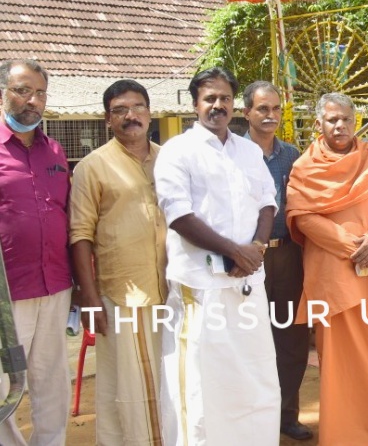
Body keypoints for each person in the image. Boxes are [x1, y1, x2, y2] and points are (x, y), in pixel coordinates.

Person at [153, 67, 281, 444]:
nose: (218, 105)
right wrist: (234, 251)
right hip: (200, 285)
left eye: (225, 98)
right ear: (195, 104)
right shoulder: (177, 151)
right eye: (210, 98)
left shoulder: (248, 151)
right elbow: (178, 215)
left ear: (234, 104)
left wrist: (256, 248)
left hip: (247, 282)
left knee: (254, 374)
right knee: (200, 381)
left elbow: (268, 202)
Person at [287, 93, 368, 445]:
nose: (340, 125)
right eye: (332, 120)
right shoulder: (305, 167)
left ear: (355, 121)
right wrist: (351, 246)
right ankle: (343, 436)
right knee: (338, 362)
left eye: (346, 119)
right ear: (318, 123)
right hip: (333, 276)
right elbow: (302, 217)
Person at [69, 80, 168, 446]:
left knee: (167, 378)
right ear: (107, 119)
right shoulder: (92, 167)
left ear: (150, 113)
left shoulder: (169, 159)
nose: (131, 115)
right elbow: (80, 234)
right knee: (124, 386)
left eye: (138, 107)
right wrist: (89, 297)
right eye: (120, 110)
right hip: (121, 292)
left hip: (170, 290)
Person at [0, 60, 71, 446]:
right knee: (3, 384)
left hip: (55, 284)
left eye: (40, 93)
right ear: (3, 93)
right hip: (7, 291)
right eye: (23, 90)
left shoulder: (55, 151)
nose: (33, 100)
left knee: (52, 379)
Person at [241, 81, 310, 441]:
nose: (270, 115)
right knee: (249, 338)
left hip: (286, 255)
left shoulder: (291, 155)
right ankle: (253, 418)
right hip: (245, 259)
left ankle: (287, 415)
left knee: (291, 337)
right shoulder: (234, 154)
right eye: (262, 109)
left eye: (275, 109)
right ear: (246, 113)